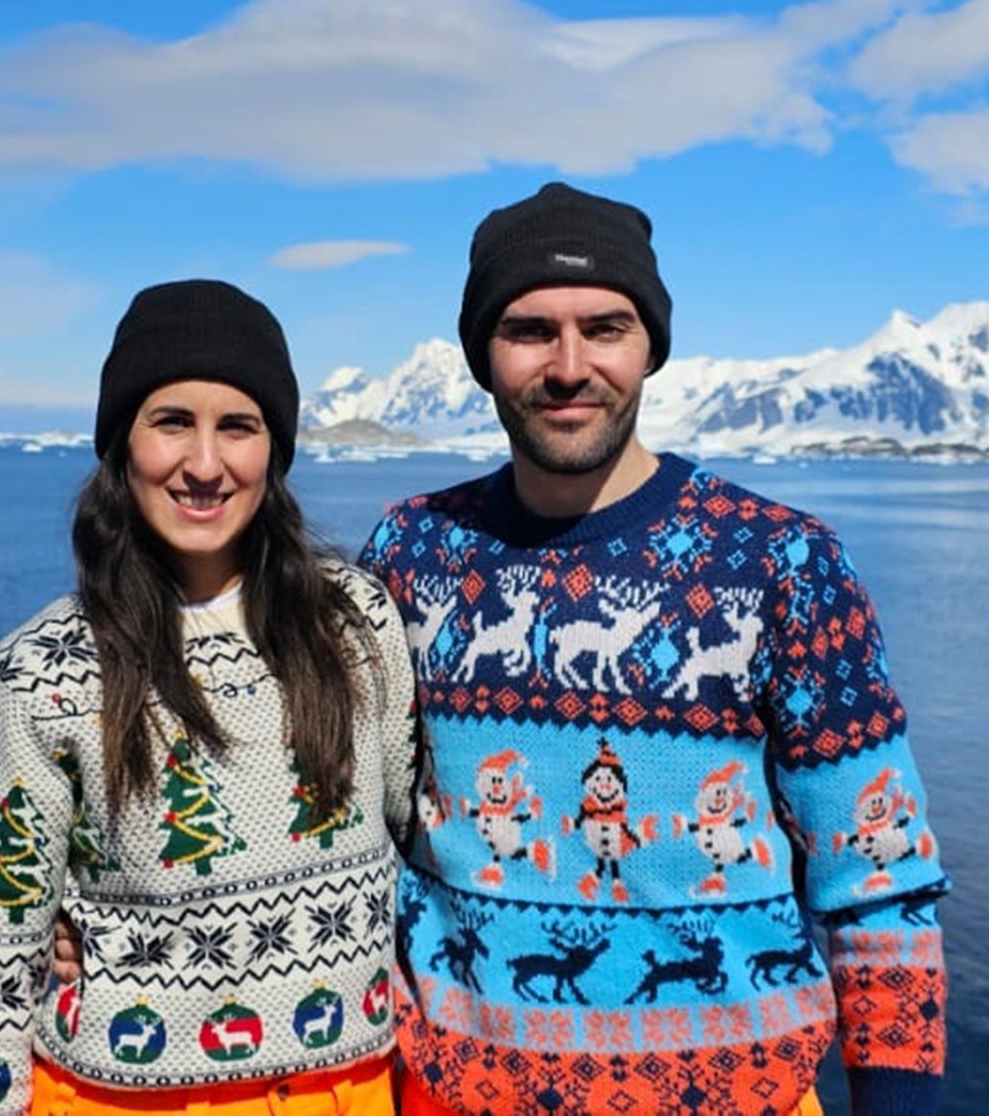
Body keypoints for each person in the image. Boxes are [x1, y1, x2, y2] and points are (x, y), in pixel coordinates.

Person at [358, 183, 949, 1116]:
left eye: (605, 327)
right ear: (481, 356)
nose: (567, 365)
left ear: (650, 348)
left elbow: (877, 871)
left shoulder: (779, 560)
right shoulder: (412, 550)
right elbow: (348, 812)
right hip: (453, 1093)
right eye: (527, 330)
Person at [0, 280, 416, 1116]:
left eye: (238, 426)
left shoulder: (353, 625)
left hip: (345, 1092)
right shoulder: (46, 670)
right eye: (171, 423)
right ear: (123, 443)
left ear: (275, 448)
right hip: (119, 1098)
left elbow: (421, 832)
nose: (203, 465)